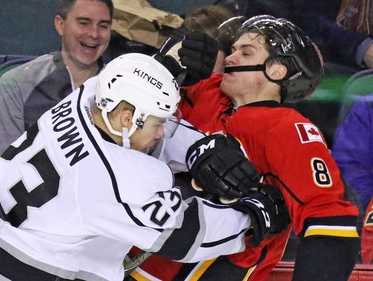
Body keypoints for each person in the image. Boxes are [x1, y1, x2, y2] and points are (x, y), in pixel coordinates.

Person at [0, 52, 290, 281]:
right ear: (127, 118)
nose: (163, 131)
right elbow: (185, 236)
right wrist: (252, 219)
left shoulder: (86, 96)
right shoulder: (119, 179)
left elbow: (135, 120)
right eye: (159, 123)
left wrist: (197, 147)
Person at [129, 16, 360, 281]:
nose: (229, 58)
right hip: (123, 261)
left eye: (245, 52)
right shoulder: (206, 92)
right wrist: (162, 68)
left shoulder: (287, 128)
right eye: (232, 50)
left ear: (276, 70)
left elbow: (330, 221)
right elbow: (120, 123)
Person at [0, 0, 113, 156]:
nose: (94, 34)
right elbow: (5, 163)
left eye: (103, 26)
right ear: (60, 25)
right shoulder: (16, 84)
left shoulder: (124, 89)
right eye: (84, 23)